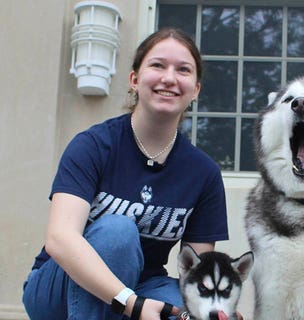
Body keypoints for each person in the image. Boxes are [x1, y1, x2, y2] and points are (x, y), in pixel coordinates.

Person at [22, 28, 230, 320]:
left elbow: (196, 272)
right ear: (134, 80)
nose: (169, 78)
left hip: (145, 284)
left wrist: (211, 311)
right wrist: (131, 303)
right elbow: (60, 239)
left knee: (185, 312)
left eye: (183, 70)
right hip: (59, 286)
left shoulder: (204, 173)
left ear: (195, 89)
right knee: (117, 232)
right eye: (157, 65)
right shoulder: (94, 146)